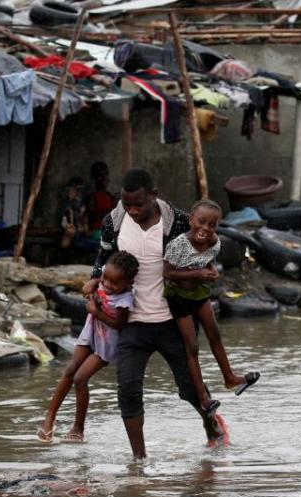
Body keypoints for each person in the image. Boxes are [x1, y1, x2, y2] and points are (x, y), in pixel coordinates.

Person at [82, 168, 228, 459]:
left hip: (172, 319)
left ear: (154, 196)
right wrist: (95, 277)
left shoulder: (179, 222)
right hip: (133, 322)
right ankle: (139, 461)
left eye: (139, 204)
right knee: (128, 392)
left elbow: (203, 255)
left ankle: (212, 427)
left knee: (189, 389)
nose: (133, 210)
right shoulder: (114, 221)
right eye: (127, 204)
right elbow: (104, 257)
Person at [162, 199, 259, 415]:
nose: (205, 228)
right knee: (192, 346)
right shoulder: (178, 244)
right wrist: (197, 273)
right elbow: (167, 274)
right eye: (201, 222)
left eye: (212, 225)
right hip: (178, 296)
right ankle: (203, 398)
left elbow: (207, 260)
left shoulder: (215, 243)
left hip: (199, 292)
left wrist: (211, 271)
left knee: (215, 333)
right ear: (191, 220)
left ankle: (230, 378)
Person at [38, 251, 139, 444]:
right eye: (105, 279)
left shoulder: (124, 300)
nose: (107, 285)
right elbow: (90, 285)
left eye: (114, 283)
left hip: (107, 342)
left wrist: (96, 311)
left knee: (80, 378)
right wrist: (93, 286)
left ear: (128, 283)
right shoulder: (106, 275)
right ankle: (49, 418)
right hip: (91, 329)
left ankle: (78, 427)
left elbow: (119, 324)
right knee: (69, 370)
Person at [60, 176, 98, 251]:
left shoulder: (82, 206)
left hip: (81, 233)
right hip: (74, 234)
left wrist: (84, 228)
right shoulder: (68, 206)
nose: (77, 193)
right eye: (74, 190)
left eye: (79, 191)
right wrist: (68, 226)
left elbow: (84, 219)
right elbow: (64, 221)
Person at [85, 161, 117, 239]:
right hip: (97, 231)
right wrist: (110, 210)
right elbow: (91, 219)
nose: (104, 178)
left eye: (106, 174)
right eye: (100, 175)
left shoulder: (110, 196)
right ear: (94, 179)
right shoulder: (91, 197)